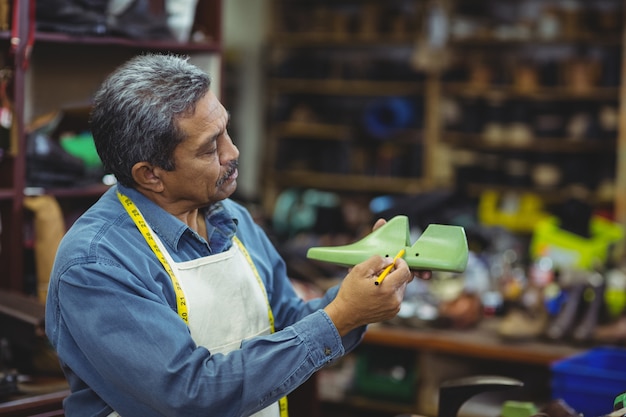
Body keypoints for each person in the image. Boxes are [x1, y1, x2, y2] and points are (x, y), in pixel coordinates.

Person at [45, 53, 430, 417]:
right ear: (150, 174)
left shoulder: (231, 220)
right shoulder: (97, 263)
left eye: (225, 130)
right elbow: (191, 397)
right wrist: (340, 316)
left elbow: (292, 327)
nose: (233, 151)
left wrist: (369, 287)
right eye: (210, 147)